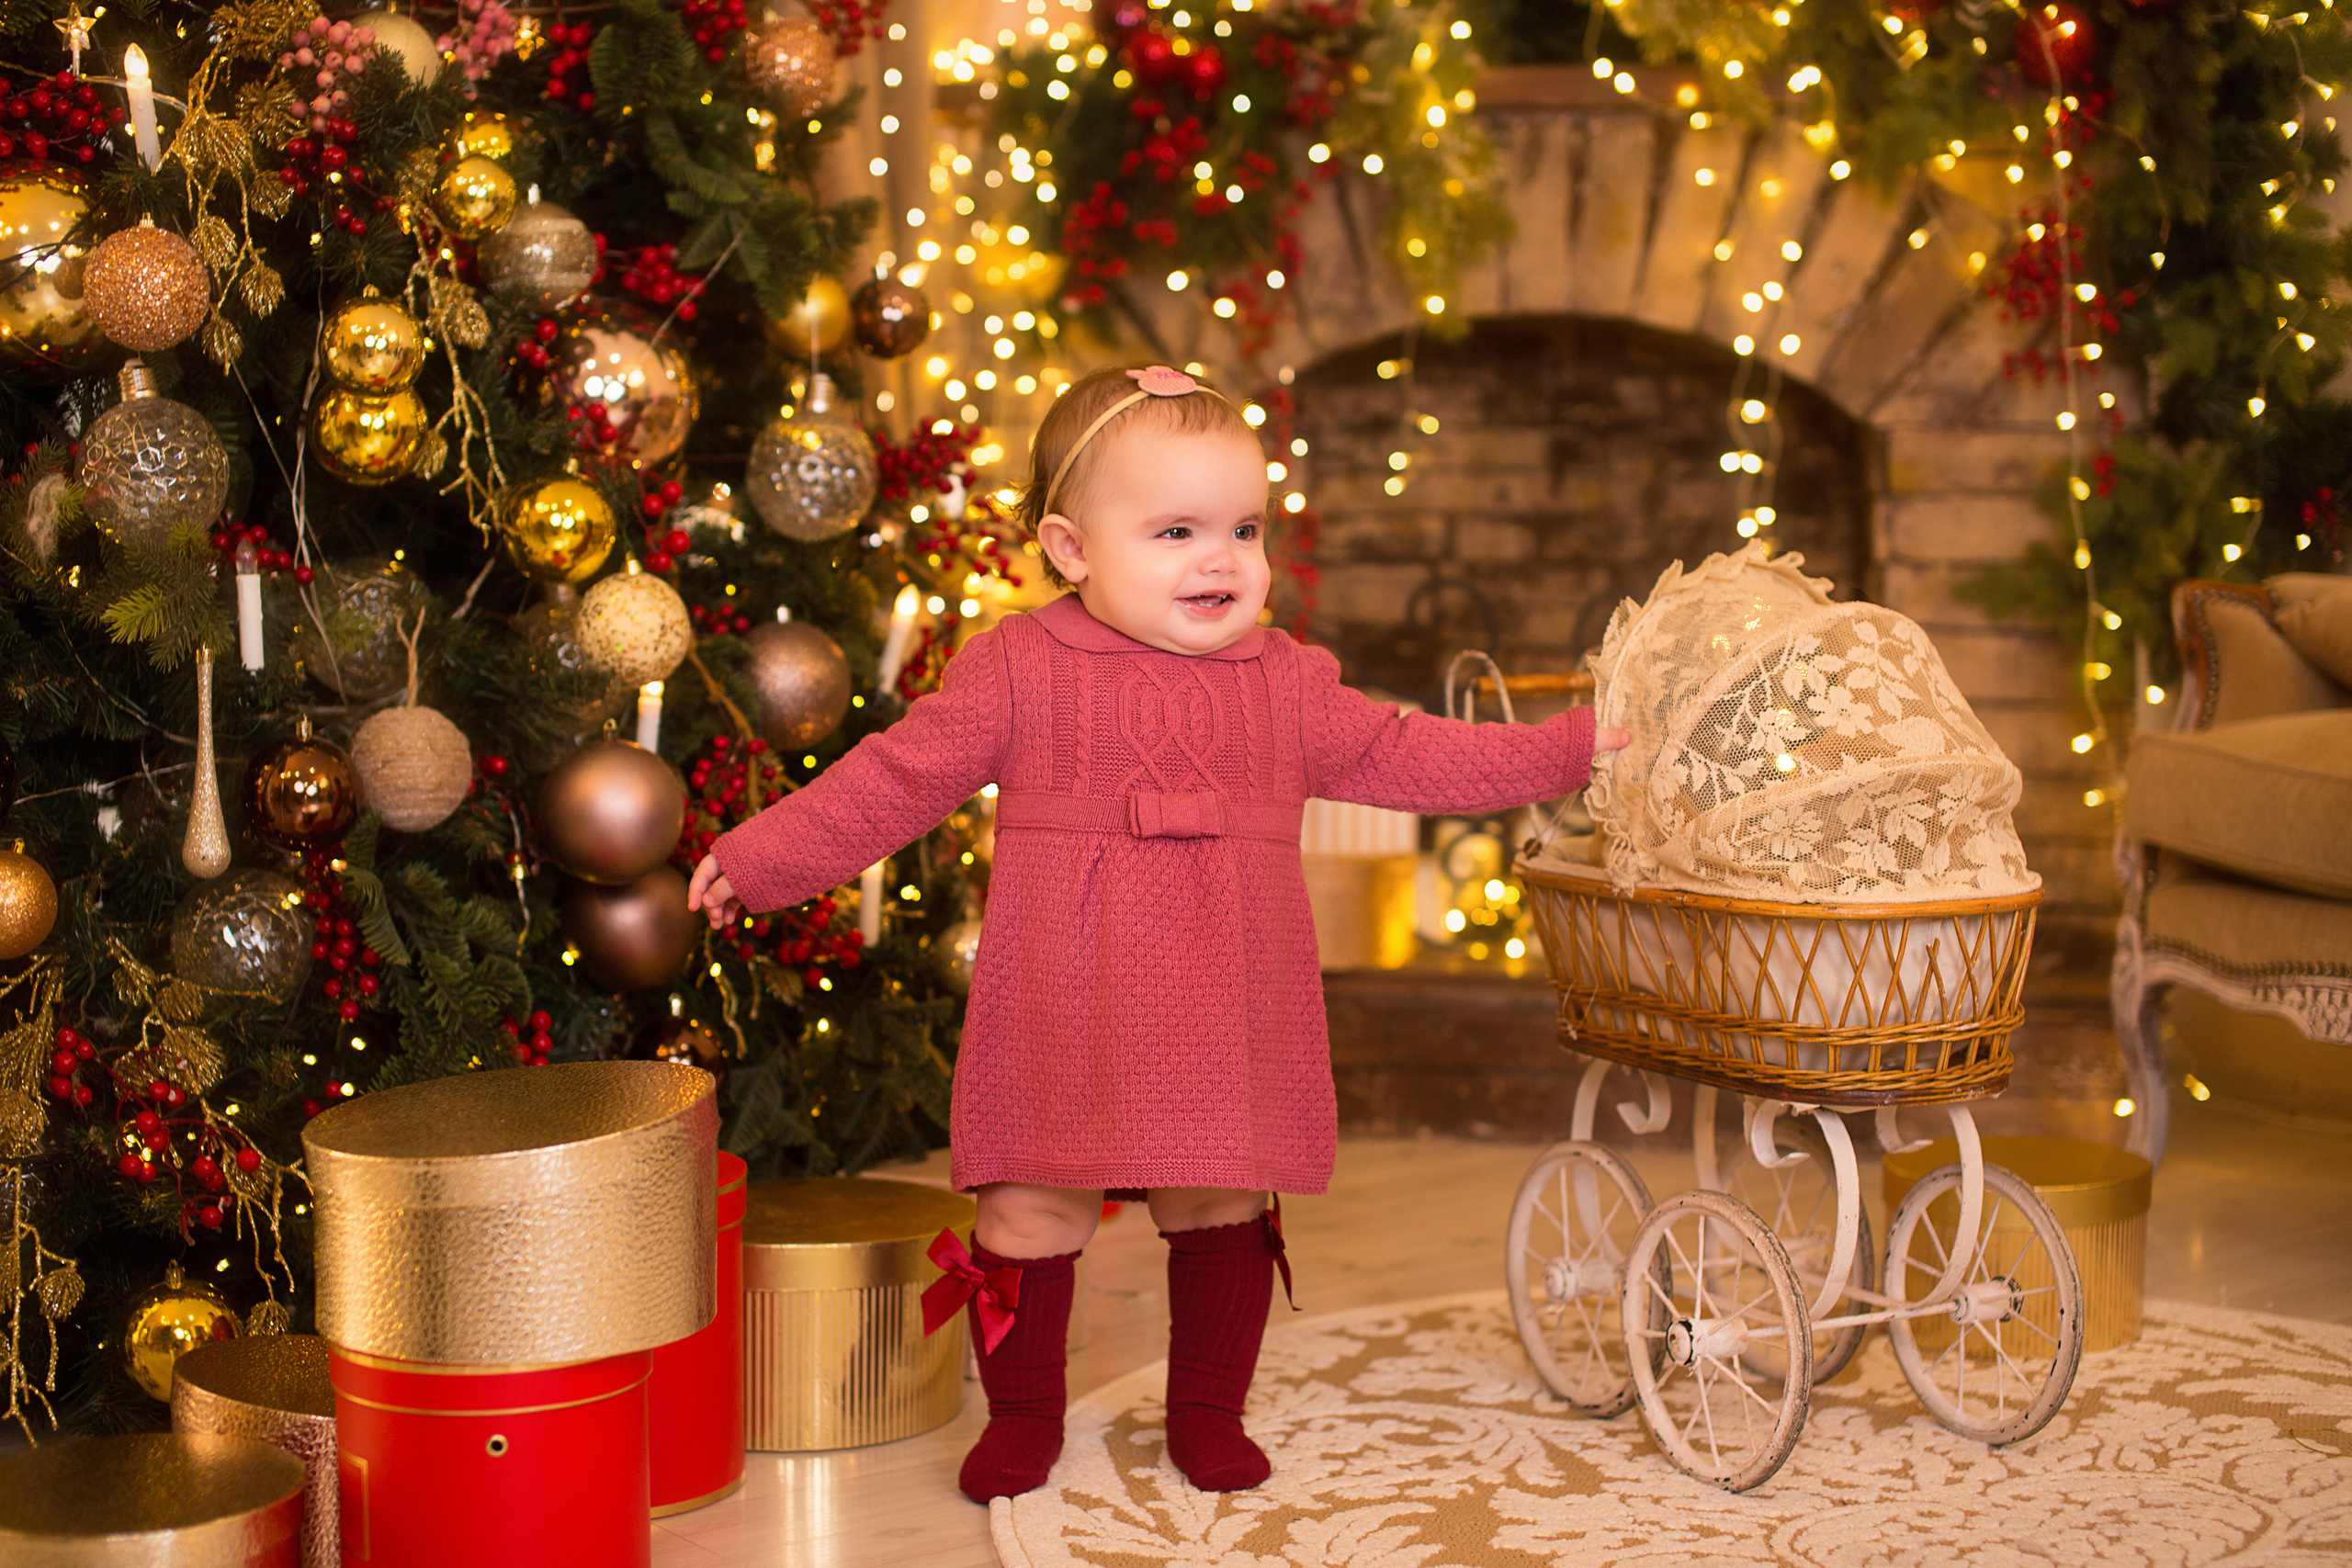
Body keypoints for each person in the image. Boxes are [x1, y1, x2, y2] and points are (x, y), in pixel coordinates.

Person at [690, 365, 1628, 1505]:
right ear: (1074, 550)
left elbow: (1412, 752)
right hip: (1064, 988)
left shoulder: (1284, 683)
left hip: (1223, 995)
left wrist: (1569, 749)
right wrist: (760, 858)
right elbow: (896, 779)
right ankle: (1026, 1415)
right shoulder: (1017, 668)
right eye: (1176, 529)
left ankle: (1205, 1413)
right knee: (1031, 1203)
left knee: (1218, 1194)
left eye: (1243, 527)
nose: (1221, 558)